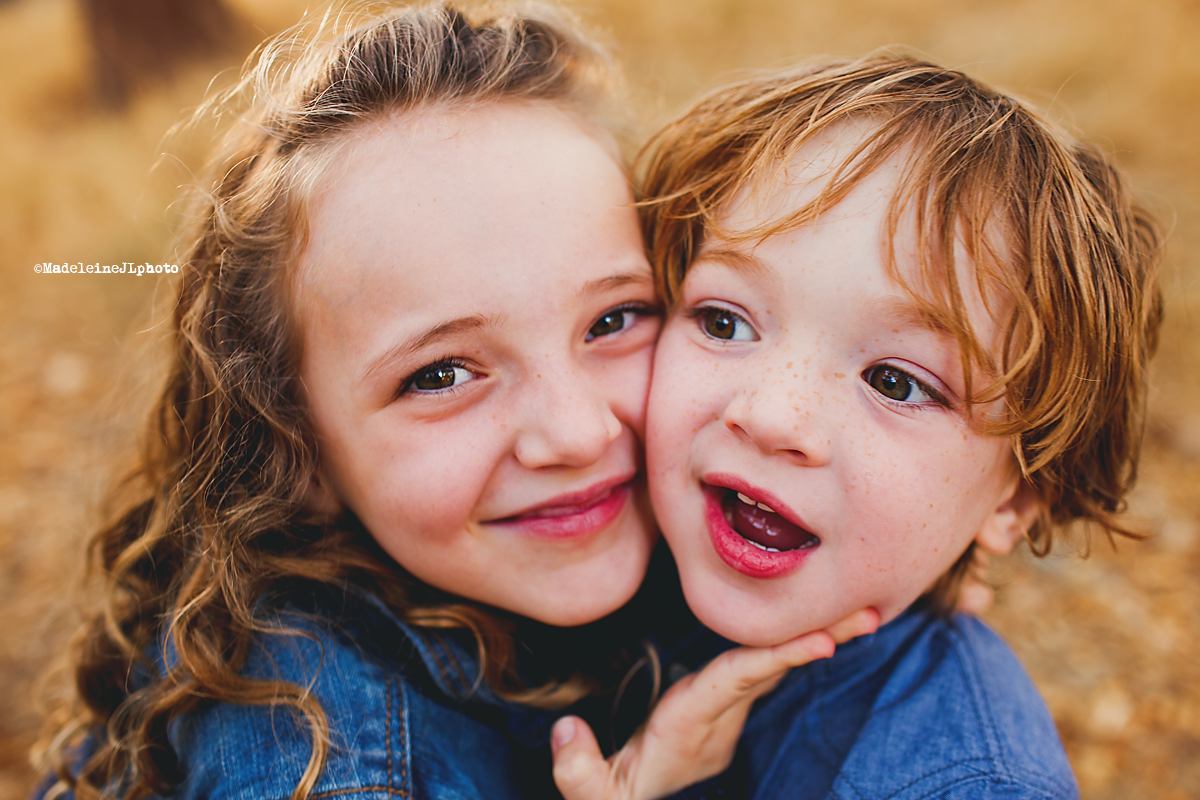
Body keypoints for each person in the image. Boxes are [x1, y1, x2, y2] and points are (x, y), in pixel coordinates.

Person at [34, 5, 878, 800]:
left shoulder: (599, 542)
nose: (578, 433)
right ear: (293, 451)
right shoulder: (320, 751)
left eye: (613, 320)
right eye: (440, 375)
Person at [638, 53, 1163, 798]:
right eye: (725, 321)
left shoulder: (967, 785)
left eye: (895, 381)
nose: (770, 415)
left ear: (1011, 501)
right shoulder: (595, 560)